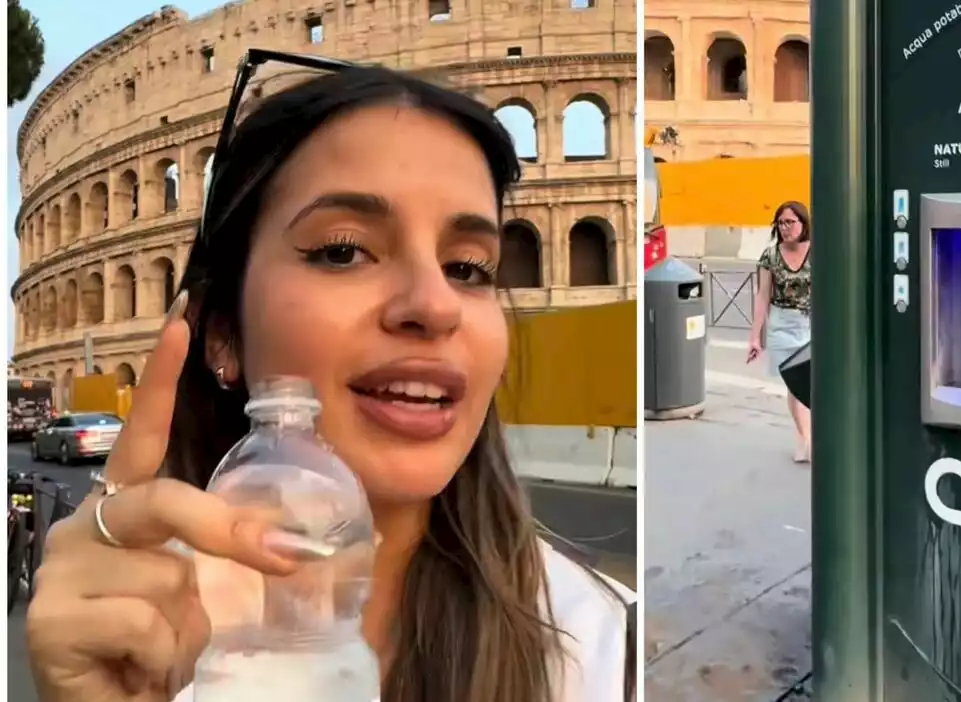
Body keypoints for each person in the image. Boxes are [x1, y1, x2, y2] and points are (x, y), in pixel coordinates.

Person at [25, 63, 635, 702]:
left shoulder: (603, 650)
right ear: (222, 331)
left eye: (469, 267)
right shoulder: (133, 635)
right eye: (342, 250)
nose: (435, 304)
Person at [747, 201, 813, 463]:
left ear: (803, 223)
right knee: (795, 385)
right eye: (781, 223)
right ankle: (805, 436)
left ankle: (810, 436)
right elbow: (762, 296)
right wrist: (755, 336)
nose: (785, 228)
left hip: (811, 323)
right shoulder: (771, 256)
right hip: (782, 324)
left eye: (790, 222)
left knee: (813, 382)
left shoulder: (818, 251)